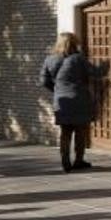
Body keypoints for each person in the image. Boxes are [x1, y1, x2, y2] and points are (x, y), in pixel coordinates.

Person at [41, 32, 93, 173]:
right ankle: (79, 160)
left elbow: (43, 81)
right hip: (79, 99)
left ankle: (65, 161)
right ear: (74, 43)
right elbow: (92, 73)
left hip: (61, 101)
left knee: (65, 131)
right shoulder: (79, 59)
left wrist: (57, 90)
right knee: (80, 131)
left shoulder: (49, 59)